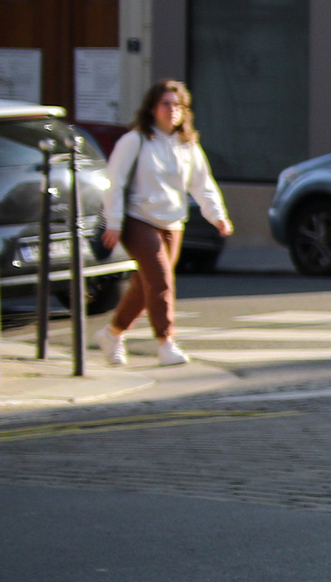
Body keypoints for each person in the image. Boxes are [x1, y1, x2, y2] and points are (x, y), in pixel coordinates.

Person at [94, 80, 232, 367]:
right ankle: (166, 343)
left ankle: (113, 333)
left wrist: (217, 215)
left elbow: (202, 183)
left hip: (173, 222)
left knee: (146, 287)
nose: (172, 110)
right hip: (139, 219)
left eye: (178, 105)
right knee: (160, 281)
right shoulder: (136, 140)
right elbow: (114, 181)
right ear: (153, 108)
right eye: (166, 104)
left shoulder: (187, 145)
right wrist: (114, 221)